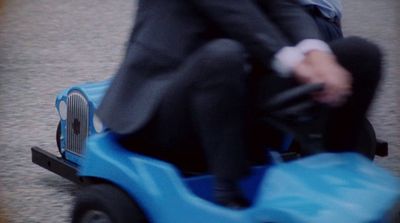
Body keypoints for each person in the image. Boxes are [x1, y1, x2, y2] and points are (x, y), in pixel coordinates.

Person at [97, 0, 382, 208]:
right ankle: (228, 196)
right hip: (160, 106)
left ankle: (331, 172)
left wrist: (317, 52)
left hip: (230, 91)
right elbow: (232, 10)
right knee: (222, 56)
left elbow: (285, 6)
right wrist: (295, 62)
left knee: (360, 55)